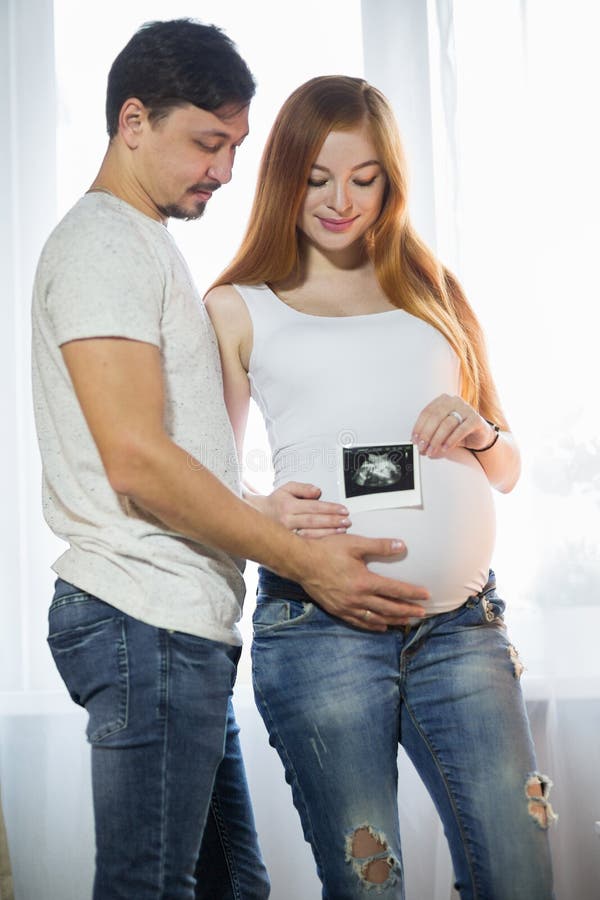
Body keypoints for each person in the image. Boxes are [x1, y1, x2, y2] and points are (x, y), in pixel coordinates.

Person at [31, 26, 429, 900]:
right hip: (144, 616)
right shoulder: (104, 244)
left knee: (234, 889)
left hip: (179, 622)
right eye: (208, 143)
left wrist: (256, 505)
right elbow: (134, 462)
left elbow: (158, 452)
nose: (223, 169)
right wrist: (300, 561)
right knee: (149, 886)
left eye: (235, 148)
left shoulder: (140, 242)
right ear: (133, 121)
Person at [205, 75, 557, 899]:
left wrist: (481, 432)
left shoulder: (429, 288)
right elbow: (208, 478)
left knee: (520, 873)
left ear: (390, 180)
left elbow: (506, 468)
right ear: (283, 176)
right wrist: (261, 507)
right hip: (318, 626)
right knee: (369, 885)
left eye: (364, 178)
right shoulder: (236, 306)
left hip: (462, 627)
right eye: (317, 178)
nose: (340, 201)